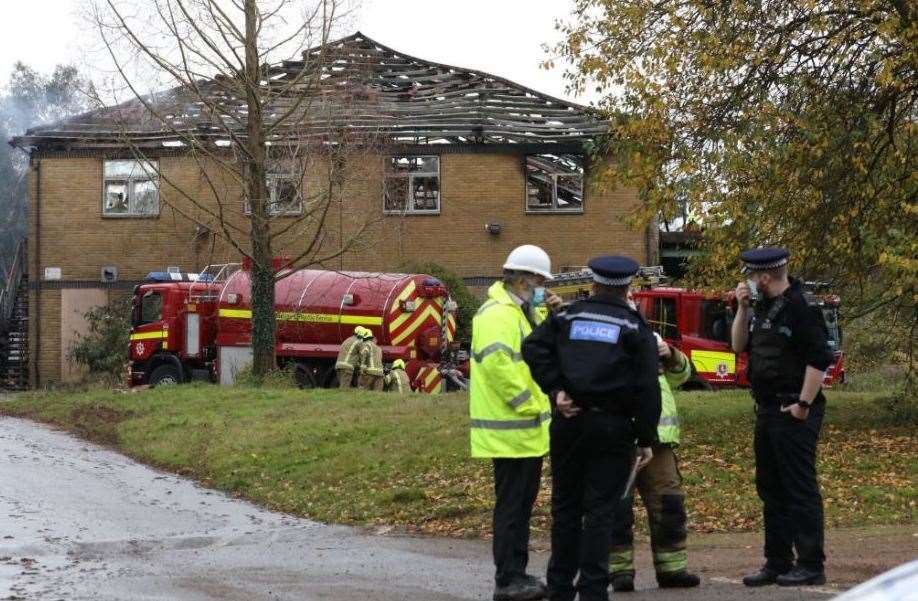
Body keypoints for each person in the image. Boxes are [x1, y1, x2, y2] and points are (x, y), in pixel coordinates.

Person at [522, 256, 661, 601]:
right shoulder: (633, 326)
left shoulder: (569, 315)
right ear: (627, 287)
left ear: (594, 283)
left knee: (565, 507)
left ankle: (558, 588)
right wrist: (646, 437)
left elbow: (534, 347)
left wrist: (556, 391)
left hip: (569, 423)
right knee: (600, 512)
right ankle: (593, 590)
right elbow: (647, 385)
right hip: (612, 428)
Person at [731, 247, 834, 587]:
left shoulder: (801, 308)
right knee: (770, 487)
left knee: (799, 488)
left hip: (794, 410)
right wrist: (743, 309)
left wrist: (803, 404)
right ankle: (777, 561)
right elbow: (737, 345)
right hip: (766, 409)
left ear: (764, 277)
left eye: (751, 275)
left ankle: (810, 563)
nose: (748, 281)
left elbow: (819, 358)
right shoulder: (761, 307)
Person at [469, 244, 562, 601]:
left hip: (523, 434)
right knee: (511, 509)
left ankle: (516, 575)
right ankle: (508, 580)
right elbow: (499, 369)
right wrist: (530, 406)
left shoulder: (521, 313)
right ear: (523, 280)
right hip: (511, 429)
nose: (544, 288)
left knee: (520, 509)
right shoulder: (497, 315)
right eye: (540, 281)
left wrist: (554, 318)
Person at [608, 327, 701, 592]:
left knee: (669, 503)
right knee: (618, 507)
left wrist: (671, 354)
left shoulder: (648, 334)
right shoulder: (604, 335)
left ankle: (672, 569)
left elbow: (680, 376)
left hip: (658, 439)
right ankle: (619, 571)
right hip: (620, 438)